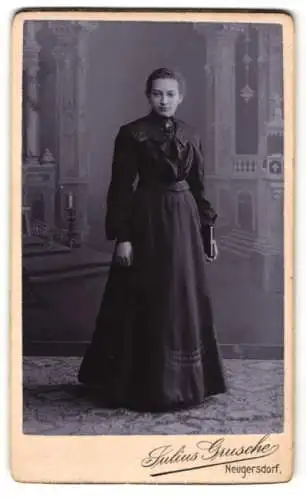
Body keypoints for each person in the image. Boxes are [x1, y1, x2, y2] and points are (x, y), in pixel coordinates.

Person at [78, 68, 226, 411]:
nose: (164, 100)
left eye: (170, 94)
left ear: (180, 97)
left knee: (183, 295)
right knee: (147, 295)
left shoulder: (192, 133)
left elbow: (200, 186)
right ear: (148, 96)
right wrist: (123, 238)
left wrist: (208, 232)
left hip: (185, 220)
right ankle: (142, 383)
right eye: (157, 94)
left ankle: (189, 382)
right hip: (147, 219)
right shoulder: (132, 133)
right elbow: (120, 187)